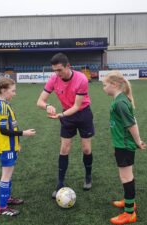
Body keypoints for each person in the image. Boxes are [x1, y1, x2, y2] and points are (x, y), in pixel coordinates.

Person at [37, 53, 95, 198]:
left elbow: (76, 106)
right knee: (64, 148)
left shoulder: (81, 79)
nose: (57, 73)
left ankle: (88, 176)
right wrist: (48, 106)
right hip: (66, 115)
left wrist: (60, 115)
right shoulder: (54, 78)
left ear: (68, 66)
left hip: (82, 113)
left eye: (59, 70)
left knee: (87, 149)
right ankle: (60, 183)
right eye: (54, 70)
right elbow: (40, 101)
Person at [102, 71, 147, 225]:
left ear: (114, 85)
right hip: (121, 144)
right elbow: (131, 120)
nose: (103, 88)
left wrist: (138, 142)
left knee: (126, 177)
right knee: (127, 176)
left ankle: (129, 213)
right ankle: (130, 201)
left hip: (125, 145)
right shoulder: (120, 99)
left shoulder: (120, 102)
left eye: (105, 85)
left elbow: (131, 124)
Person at [0, 77, 36, 216]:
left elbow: (11, 126)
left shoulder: (5, 104)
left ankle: (7, 198)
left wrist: (17, 144)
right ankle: (2, 207)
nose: (14, 93)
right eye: (13, 91)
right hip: (6, 147)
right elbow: (3, 130)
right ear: (3, 90)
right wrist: (24, 133)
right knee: (6, 176)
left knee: (9, 175)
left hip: (11, 146)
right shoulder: (2, 106)